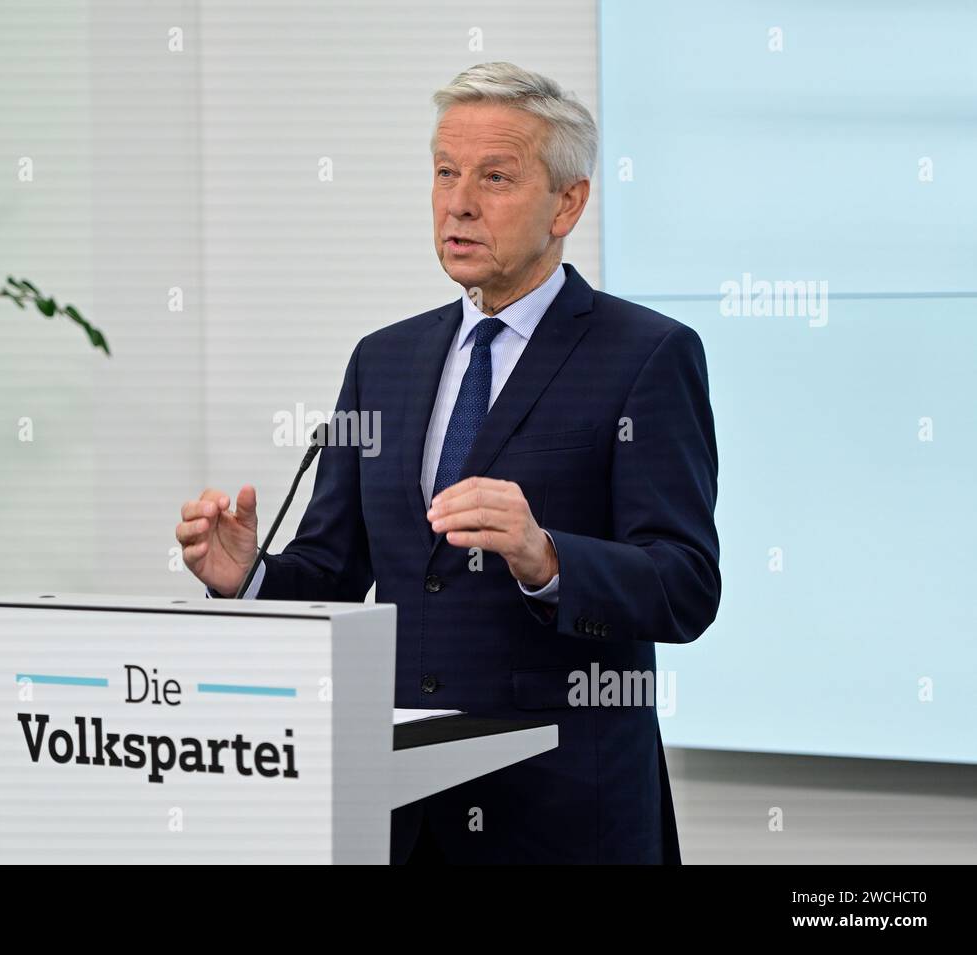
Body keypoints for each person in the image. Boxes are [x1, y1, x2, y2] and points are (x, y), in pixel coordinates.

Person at [175, 62, 721, 864]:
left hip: (564, 815)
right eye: (444, 173)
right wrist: (246, 576)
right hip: (401, 810)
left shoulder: (646, 355)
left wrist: (547, 558)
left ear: (568, 202)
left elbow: (684, 585)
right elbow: (333, 570)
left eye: (495, 177)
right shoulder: (384, 361)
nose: (458, 202)